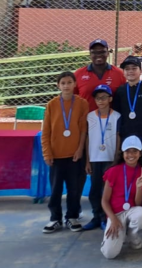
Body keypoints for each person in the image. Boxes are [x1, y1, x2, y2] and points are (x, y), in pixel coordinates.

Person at [41, 71, 90, 233]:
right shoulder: (52, 105)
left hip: (75, 156)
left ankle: (72, 216)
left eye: (69, 82)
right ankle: (55, 218)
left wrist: (79, 150)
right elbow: (46, 131)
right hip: (56, 156)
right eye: (63, 83)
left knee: (74, 189)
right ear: (58, 86)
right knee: (55, 189)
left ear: (75, 84)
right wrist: (47, 153)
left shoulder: (82, 104)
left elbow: (83, 130)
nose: (66, 86)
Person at [100, 136, 142, 259]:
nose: (131, 155)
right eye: (127, 151)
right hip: (116, 214)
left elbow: (138, 203)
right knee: (109, 254)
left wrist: (140, 187)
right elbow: (104, 200)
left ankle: (132, 235)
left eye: (135, 151)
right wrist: (113, 219)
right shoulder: (113, 171)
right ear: (122, 153)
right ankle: (119, 234)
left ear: (140, 154)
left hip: (132, 211)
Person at [83, 84, 121, 231]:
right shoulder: (90, 117)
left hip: (110, 159)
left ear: (110, 99)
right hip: (94, 159)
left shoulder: (117, 116)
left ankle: (106, 217)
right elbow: (87, 138)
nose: (101, 100)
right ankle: (96, 216)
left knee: (108, 191)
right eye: (98, 98)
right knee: (94, 190)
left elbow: (118, 137)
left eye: (104, 97)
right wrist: (87, 160)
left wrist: (116, 157)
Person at [74, 38, 126, 112]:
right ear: (90, 54)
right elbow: (72, 98)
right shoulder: (78, 74)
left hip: (112, 121)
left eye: (102, 52)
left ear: (107, 53)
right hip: (86, 120)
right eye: (94, 52)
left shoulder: (119, 74)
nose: (98, 55)